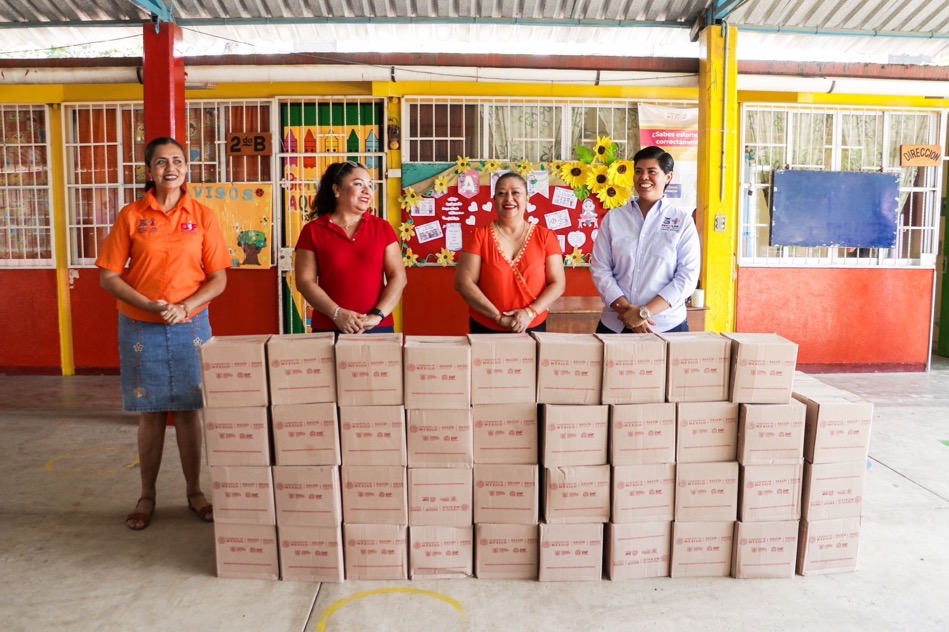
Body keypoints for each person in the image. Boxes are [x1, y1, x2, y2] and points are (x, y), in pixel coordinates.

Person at [96, 137, 230, 530]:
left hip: (191, 324)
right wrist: (150, 304)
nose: (170, 168)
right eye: (160, 162)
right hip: (141, 324)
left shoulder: (203, 215)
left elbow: (218, 277)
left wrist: (186, 306)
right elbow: (108, 275)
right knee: (150, 414)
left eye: (177, 161)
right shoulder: (132, 216)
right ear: (149, 170)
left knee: (190, 412)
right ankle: (146, 497)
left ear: (187, 168)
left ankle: (194, 492)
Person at [591, 146, 700, 334]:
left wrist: (643, 313)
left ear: (668, 177)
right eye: (639, 171)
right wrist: (628, 313)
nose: (644, 177)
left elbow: (686, 277)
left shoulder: (682, 221)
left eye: (652, 172)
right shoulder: (614, 218)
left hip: (666, 325)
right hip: (616, 323)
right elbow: (600, 268)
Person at [294, 161, 406, 334]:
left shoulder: (382, 228)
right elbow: (304, 281)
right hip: (329, 327)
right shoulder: (312, 231)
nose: (367, 191)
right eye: (358, 184)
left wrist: (377, 316)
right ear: (337, 190)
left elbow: (398, 276)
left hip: (377, 327)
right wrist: (337, 313)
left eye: (370, 185)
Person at [455, 172, 565, 333]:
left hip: (532, 325)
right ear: (494, 200)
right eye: (501, 193)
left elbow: (558, 283)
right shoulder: (479, 236)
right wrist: (498, 317)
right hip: (485, 327)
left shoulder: (546, 237)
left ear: (527, 199)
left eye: (516, 192)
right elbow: (463, 283)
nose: (509, 198)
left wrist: (530, 312)